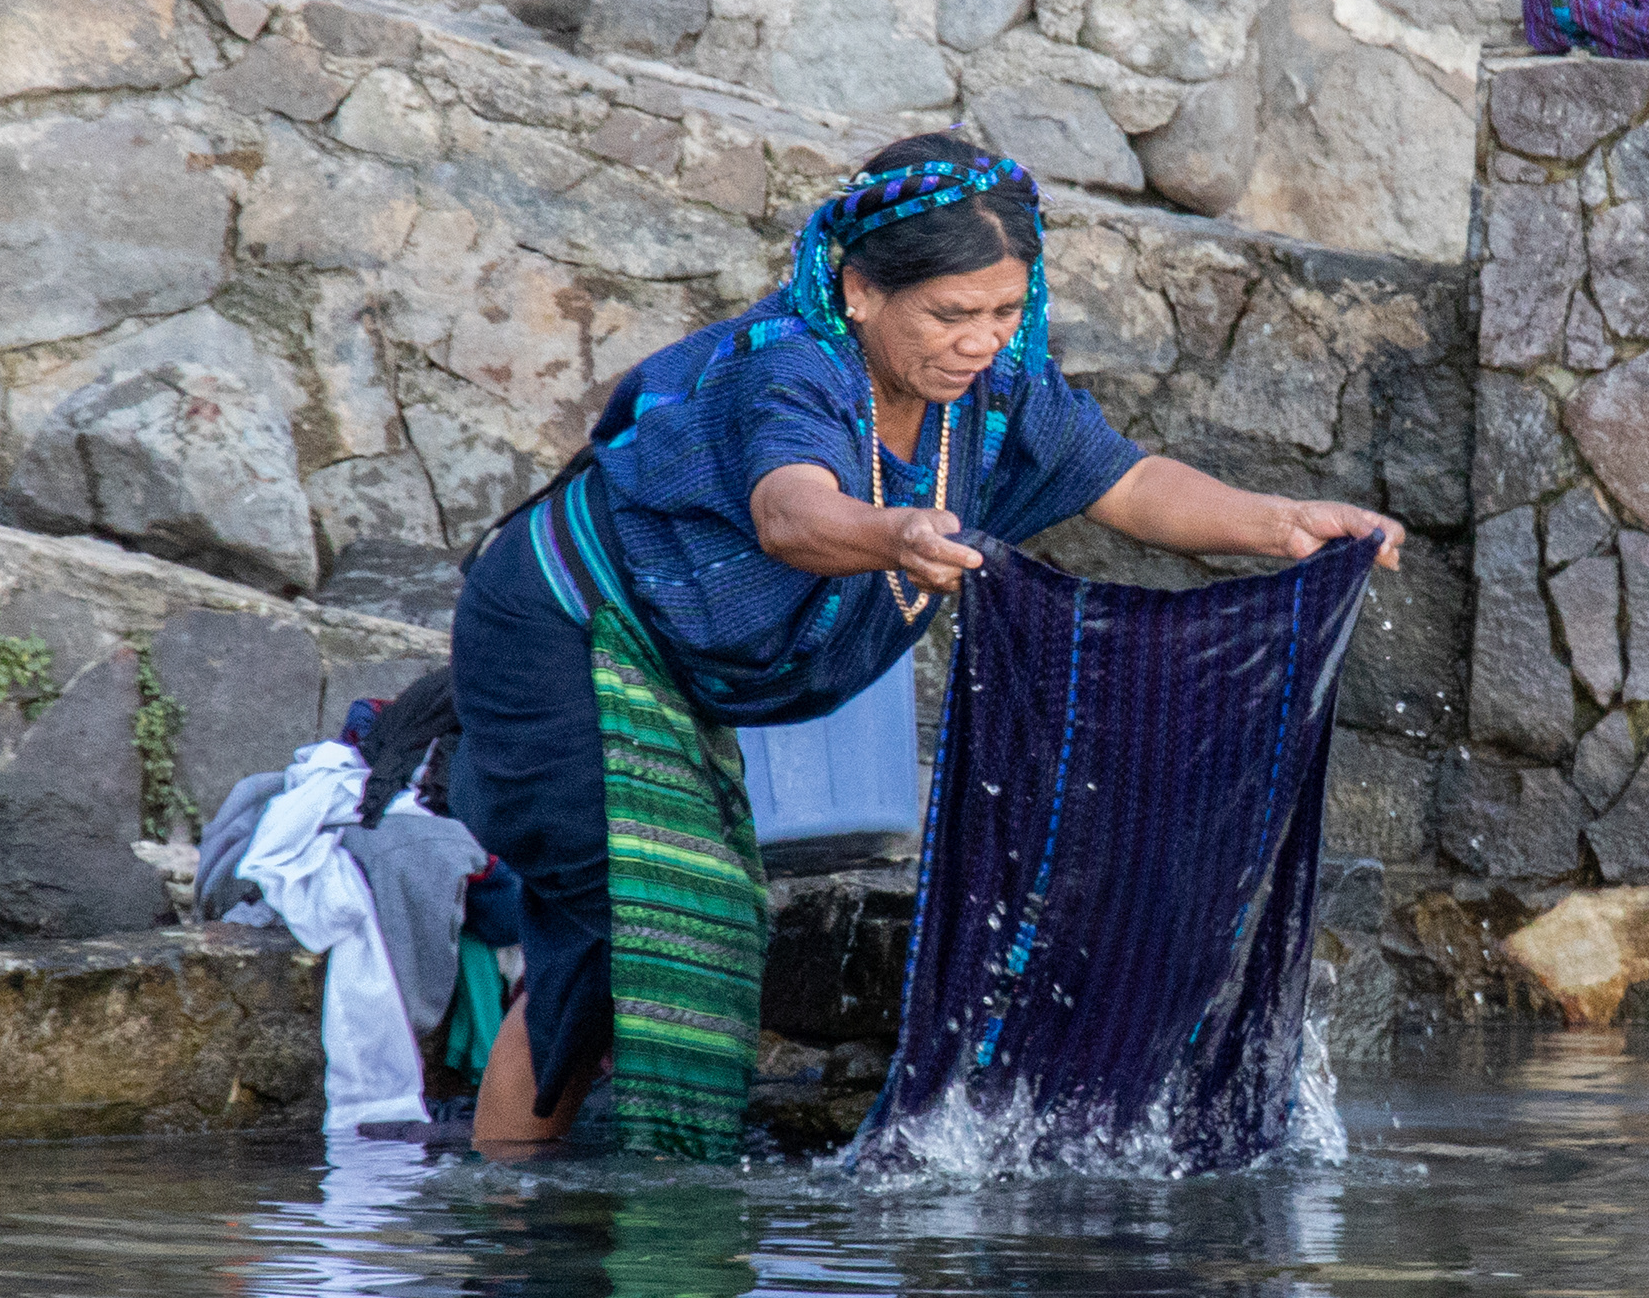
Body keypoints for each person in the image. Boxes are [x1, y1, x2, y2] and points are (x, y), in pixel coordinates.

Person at [445, 131, 1404, 1156]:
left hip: (665, 658)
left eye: (1004, 311)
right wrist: (893, 532)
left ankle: (593, 1184)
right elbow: (790, 511)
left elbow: (1127, 482)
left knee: (687, 918)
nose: (981, 340)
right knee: (637, 919)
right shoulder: (792, 371)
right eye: (952, 314)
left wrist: (1282, 523)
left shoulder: (994, 399)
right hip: (562, 624)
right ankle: (517, 1219)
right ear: (859, 289)